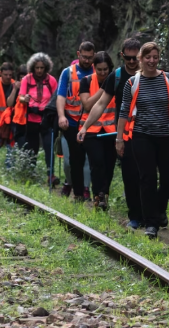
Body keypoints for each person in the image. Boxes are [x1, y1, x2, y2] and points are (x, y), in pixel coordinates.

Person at [116, 41, 169, 238]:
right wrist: (119, 139)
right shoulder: (132, 83)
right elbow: (124, 111)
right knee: (147, 179)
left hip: (167, 136)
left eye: (155, 57)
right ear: (140, 59)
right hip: (141, 136)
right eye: (148, 57)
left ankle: (159, 208)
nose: (152, 61)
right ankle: (151, 223)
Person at [77, 37, 142, 224]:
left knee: (138, 173)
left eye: (134, 58)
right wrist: (85, 127)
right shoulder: (113, 78)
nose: (131, 61)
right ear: (122, 56)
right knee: (103, 165)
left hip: (123, 131)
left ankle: (153, 213)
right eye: (128, 58)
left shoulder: (154, 75)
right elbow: (95, 105)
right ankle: (103, 197)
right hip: (115, 133)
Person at [56, 41, 95, 202]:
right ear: (78, 54)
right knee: (72, 159)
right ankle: (74, 186)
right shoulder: (68, 73)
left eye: (90, 57)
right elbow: (61, 96)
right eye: (84, 57)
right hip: (71, 122)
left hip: (90, 122)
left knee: (87, 159)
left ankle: (85, 189)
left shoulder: (97, 71)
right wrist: (61, 116)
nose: (87, 60)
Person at [78, 51, 117, 210]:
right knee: (97, 162)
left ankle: (104, 195)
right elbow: (87, 105)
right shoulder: (86, 81)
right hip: (91, 130)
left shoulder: (117, 80)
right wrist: (104, 89)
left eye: (105, 70)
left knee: (109, 165)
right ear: (94, 68)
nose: (102, 73)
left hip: (111, 129)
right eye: (99, 69)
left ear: (110, 68)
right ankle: (98, 196)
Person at [17, 53, 57, 172]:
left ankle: (51, 174)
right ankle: (30, 172)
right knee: (31, 148)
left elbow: (56, 98)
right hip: (31, 119)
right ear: (33, 67)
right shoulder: (26, 79)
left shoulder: (52, 80)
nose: (39, 70)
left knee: (49, 147)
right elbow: (20, 97)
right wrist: (25, 99)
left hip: (46, 119)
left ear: (46, 68)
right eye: (37, 67)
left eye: (42, 68)